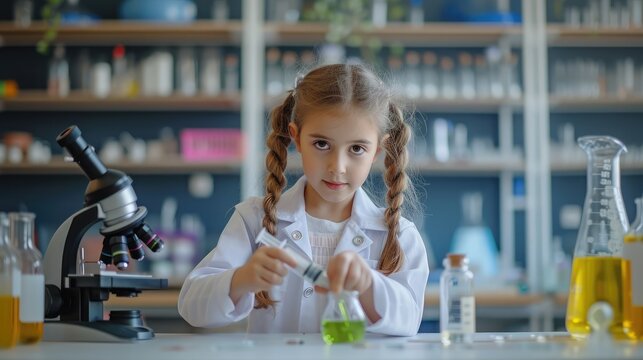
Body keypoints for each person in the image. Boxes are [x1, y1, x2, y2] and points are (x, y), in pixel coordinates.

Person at [178, 63, 429, 336]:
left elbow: (409, 320)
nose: (337, 166)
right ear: (296, 138)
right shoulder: (253, 220)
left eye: (357, 148)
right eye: (321, 144)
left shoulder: (400, 234)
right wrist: (241, 279)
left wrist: (369, 285)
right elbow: (191, 306)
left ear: (378, 150)